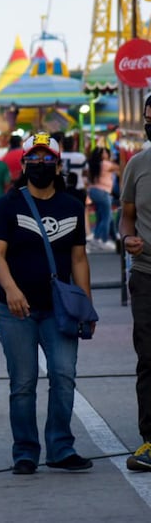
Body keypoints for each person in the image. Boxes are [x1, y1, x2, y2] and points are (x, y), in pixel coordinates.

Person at [0, 132, 93, 475]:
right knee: (24, 383)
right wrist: (11, 289)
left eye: (48, 158)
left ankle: (61, 447)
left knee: (64, 375)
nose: (40, 164)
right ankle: (26, 452)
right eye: (34, 157)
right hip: (14, 309)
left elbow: (79, 260)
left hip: (59, 310)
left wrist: (86, 304)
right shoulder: (8, 204)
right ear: (24, 163)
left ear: (58, 165)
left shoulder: (73, 206)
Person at [119, 93, 151, 472]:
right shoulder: (137, 165)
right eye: (148, 117)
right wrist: (128, 238)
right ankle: (150, 439)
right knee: (149, 359)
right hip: (146, 276)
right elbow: (126, 216)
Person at [87, 145, 119, 252]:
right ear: (101, 155)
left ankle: (96, 240)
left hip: (93, 191)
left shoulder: (93, 164)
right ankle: (101, 240)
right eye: (104, 152)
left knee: (100, 217)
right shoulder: (105, 164)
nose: (106, 154)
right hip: (102, 192)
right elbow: (118, 168)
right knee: (106, 217)